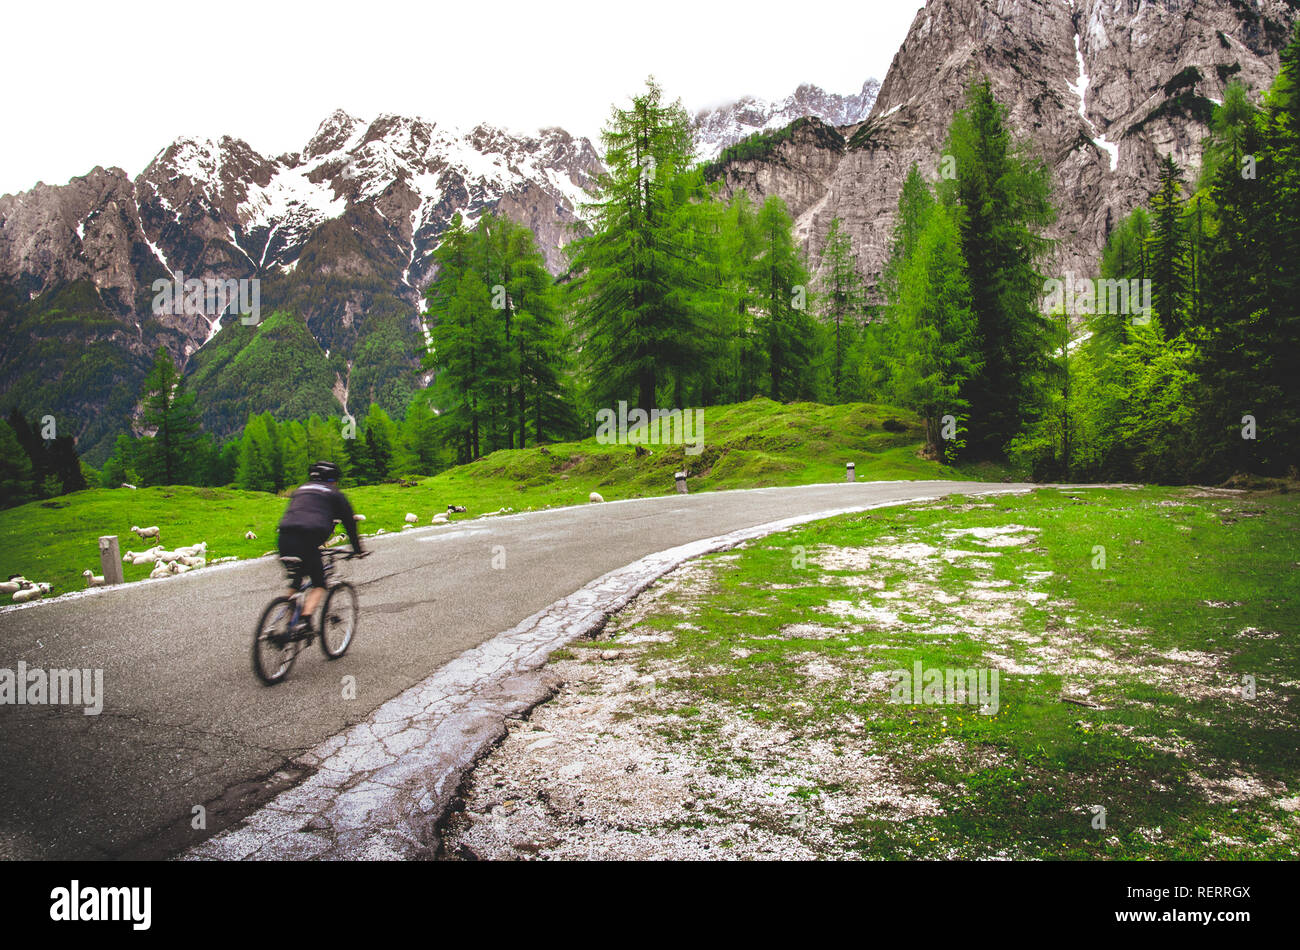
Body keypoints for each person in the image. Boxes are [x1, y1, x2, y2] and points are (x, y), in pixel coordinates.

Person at [277, 461, 365, 636]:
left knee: (297, 579)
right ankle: (305, 620)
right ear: (333, 479)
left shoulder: (301, 490)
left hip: (284, 538)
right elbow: (349, 525)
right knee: (319, 584)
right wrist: (357, 549)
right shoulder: (335, 494)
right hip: (308, 539)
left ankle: (287, 625)